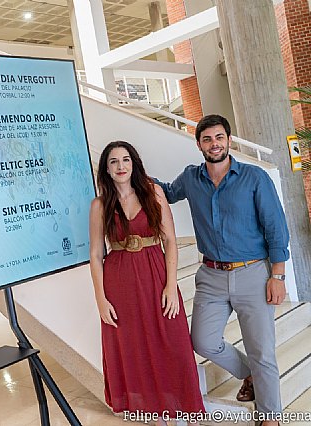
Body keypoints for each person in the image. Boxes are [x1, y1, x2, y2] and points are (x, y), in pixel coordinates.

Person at [157, 114, 288, 426]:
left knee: (262, 350)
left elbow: (277, 229)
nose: (214, 144)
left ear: (228, 140)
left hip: (253, 274)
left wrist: (278, 276)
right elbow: (166, 193)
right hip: (211, 276)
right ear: (199, 144)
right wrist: (132, 175)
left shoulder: (254, 178)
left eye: (219, 137)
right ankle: (250, 375)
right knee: (202, 340)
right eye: (207, 139)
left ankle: (270, 418)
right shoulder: (191, 178)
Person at [89, 140, 205, 424]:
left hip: (155, 276)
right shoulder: (99, 205)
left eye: (125, 160)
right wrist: (101, 299)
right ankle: (156, 418)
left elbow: (170, 241)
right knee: (134, 350)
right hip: (119, 284)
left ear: (134, 163)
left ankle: (183, 411)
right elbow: (95, 254)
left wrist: (170, 286)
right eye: (113, 161)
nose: (120, 166)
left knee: (171, 343)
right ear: (106, 168)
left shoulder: (153, 192)